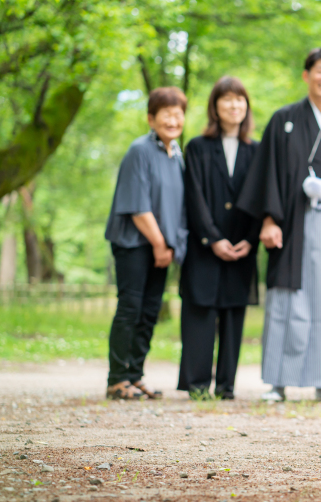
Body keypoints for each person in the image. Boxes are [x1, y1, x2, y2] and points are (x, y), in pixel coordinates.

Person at [237, 46, 321, 402]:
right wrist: (269, 220)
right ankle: (277, 380)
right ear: (307, 75)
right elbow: (269, 173)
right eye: (320, 71)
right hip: (290, 224)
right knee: (287, 299)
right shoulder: (283, 120)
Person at [177, 76, 261, 400]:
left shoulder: (256, 150)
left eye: (239, 99)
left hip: (242, 245)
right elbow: (194, 196)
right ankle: (197, 385)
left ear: (246, 107)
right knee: (200, 311)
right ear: (215, 106)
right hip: (205, 245)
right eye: (226, 99)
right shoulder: (197, 147)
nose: (233, 105)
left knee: (233, 315)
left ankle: (226, 386)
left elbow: (262, 197)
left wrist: (251, 239)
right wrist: (212, 237)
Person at [103, 86, 188, 400]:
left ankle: (135, 375)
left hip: (161, 247)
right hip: (134, 244)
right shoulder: (139, 150)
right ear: (151, 118)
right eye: (166, 113)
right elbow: (138, 207)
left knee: (150, 310)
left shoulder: (177, 155)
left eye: (178, 113)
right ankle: (116, 379)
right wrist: (158, 243)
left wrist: (169, 246)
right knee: (130, 308)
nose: (172, 119)